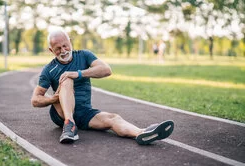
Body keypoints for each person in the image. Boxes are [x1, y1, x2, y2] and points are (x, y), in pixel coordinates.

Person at [31, 28, 174, 144]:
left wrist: (79, 73)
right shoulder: (49, 69)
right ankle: (69, 125)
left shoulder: (84, 55)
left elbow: (106, 70)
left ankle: (142, 133)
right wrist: (54, 98)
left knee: (113, 118)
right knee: (67, 79)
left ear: (70, 41)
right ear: (51, 51)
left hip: (84, 113)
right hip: (61, 113)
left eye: (65, 45)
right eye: (58, 48)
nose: (63, 51)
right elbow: (35, 99)